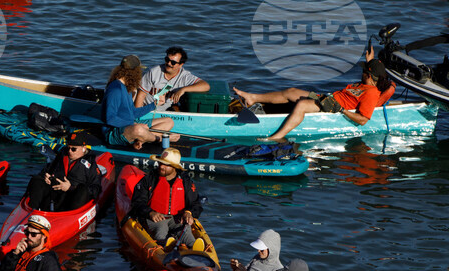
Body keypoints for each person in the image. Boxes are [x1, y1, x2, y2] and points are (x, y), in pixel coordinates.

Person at [234, 47, 392, 142]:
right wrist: (370, 60)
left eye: (364, 71)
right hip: (326, 99)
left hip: (332, 108)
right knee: (292, 92)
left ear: (369, 76)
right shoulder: (365, 83)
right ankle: (253, 97)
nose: (362, 72)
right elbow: (370, 72)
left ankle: (278, 136)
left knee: (302, 105)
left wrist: (340, 109)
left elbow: (363, 120)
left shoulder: (371, 93)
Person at [128, 148, 204, 249]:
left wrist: (189, 213)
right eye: (160, 163)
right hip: (154, 218)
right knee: (161, 228)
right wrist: (150, 213)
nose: (161, 166)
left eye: (166, 164)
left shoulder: (186, 182)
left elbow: (196, 203)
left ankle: (195, 250)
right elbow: (137, 202)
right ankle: (164, 248)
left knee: (186, 233)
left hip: (177, 219)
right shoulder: (148, 180)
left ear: (174, 167)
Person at [101, 55, 176, 150]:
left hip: (129, 124)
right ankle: (160, 139)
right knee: (138, 129)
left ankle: (142, 139)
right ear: (133, 72)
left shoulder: (126, 87)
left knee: (169, 121)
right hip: (113, 133)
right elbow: (110, 119)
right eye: (139, 71)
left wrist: (154, 105)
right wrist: (134, 124)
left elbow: (133, 112)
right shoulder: (116, 89)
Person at [25, 130, 102, 212]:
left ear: (84, 148)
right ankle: (31, 211)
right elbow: (46, 171)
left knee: (83, 190)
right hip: (54, 194)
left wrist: (71, 188)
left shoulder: (90, 163)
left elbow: (96, 188)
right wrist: (46, 177)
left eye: (73, 149)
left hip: (73, 200)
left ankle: (70, 218)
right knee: (36, 179)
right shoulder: (62, 155)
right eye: (68, 148)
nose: (69, 151)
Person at [135, 46, 210, 112]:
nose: (169, 63)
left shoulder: (185, 76)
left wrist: (183, 90)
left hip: (168, 112)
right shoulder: (154, 72)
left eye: (173, 62)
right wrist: (137, 114)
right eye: (167, 60)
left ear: (181, 64)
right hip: (148, 109)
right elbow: (141, 94)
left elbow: (205, 85)